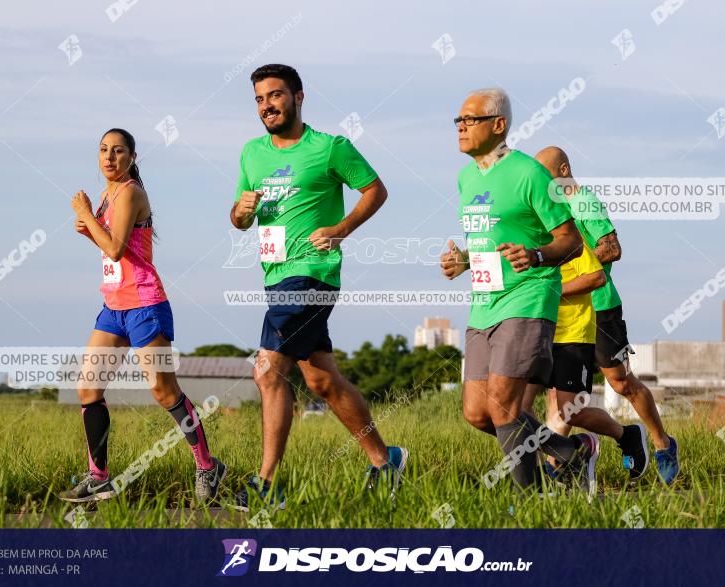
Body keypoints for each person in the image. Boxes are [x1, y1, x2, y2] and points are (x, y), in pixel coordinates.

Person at [229, 64, 407, 509]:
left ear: (298, 97)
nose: (267, 105)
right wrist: (242, 210)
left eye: (275, 95)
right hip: (275, 276)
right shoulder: (252, 153)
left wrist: (342, 228)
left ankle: (266, 485)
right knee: (322, 380)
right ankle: (385, 463)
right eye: (259, 99)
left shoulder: (329, 148)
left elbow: (375, 190)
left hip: (313, 273)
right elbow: (238, 219)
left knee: (268, 371)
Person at [440, 87, 598, 494]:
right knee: (478, 413)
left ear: (498, 125)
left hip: (528, 296)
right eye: (458, 119)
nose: (460, 126)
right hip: (483, 302)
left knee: (504, 406)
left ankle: (528, 502)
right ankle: (570, 452)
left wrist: (537, 255)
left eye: (470, 119)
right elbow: (488, 242)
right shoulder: (466, 177)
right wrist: (463, 262)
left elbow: (571, 241)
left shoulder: (530, 173)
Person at [59, 128, 226, 504]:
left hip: (146, 304)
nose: (109, 157)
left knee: (164, 391)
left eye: (118, 151)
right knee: (88, 387)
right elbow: (116, 249)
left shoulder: (131, 191)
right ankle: (99, 477)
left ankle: (207, 466)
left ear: (132, 157)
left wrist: (86, 214)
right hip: (114, 307)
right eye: (103, 150)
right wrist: (89, 229)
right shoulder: (107, 194)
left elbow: (116, 250)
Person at [534, 146, 679, 484]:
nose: (540, 183)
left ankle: (661, 443)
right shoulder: (549, 210)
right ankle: (559, 466)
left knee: (621, 382)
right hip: (565, 312)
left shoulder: (582, 201)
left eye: (545, 176)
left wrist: (572, 272)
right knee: (559, 394)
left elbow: (611, 248)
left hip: (599, 305)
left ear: (563, 170)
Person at [520, 241, 648, 481]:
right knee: (516, 410)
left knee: (570, 412)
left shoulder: (565, 237)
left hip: (571, 335)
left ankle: (626, 435)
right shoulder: (522, 234)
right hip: (535, 332)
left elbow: (596, 277)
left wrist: (551, 292)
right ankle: (533, 478)